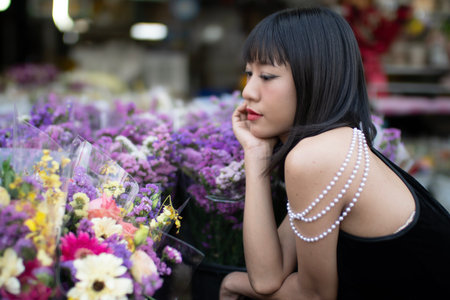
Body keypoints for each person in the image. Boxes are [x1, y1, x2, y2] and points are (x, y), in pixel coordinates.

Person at [219, 6, 450, 300]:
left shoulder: (318, 156)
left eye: (267, 75)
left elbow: (313, 295)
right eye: (249, 73)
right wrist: (254, 153)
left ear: (315, 78)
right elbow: (269, 277)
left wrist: (230, 283)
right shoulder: (337, 144)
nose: (248, 91)